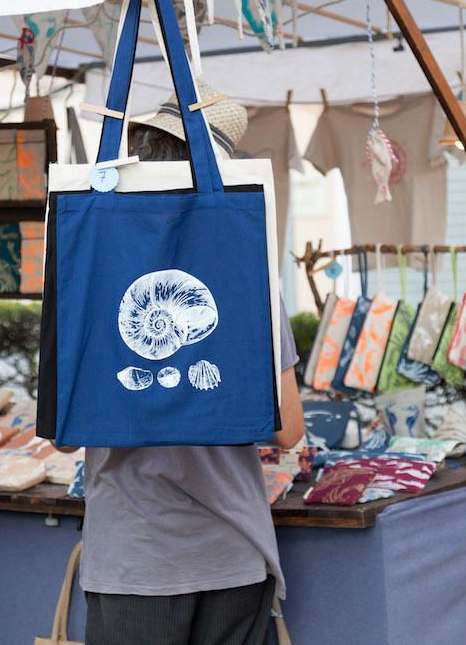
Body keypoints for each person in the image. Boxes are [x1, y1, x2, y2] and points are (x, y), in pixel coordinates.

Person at [81, 83, 305, 645]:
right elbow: (289, 427)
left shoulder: (91, 277)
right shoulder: (248, 278)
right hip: (230, 549)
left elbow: (64, 432)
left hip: (135, 556)